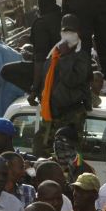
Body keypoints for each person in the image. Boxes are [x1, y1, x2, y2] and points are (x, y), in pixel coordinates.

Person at [34, 14, 91, 157]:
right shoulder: (53, 54)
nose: (67, 35)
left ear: (78, 33)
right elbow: (46, 79)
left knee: (67, 156)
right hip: (51, 115)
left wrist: (65, 58)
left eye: (71, 31)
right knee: (41, 151)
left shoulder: (81, 57)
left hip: (71, 116)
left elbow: (72, 80)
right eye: (65, 31)